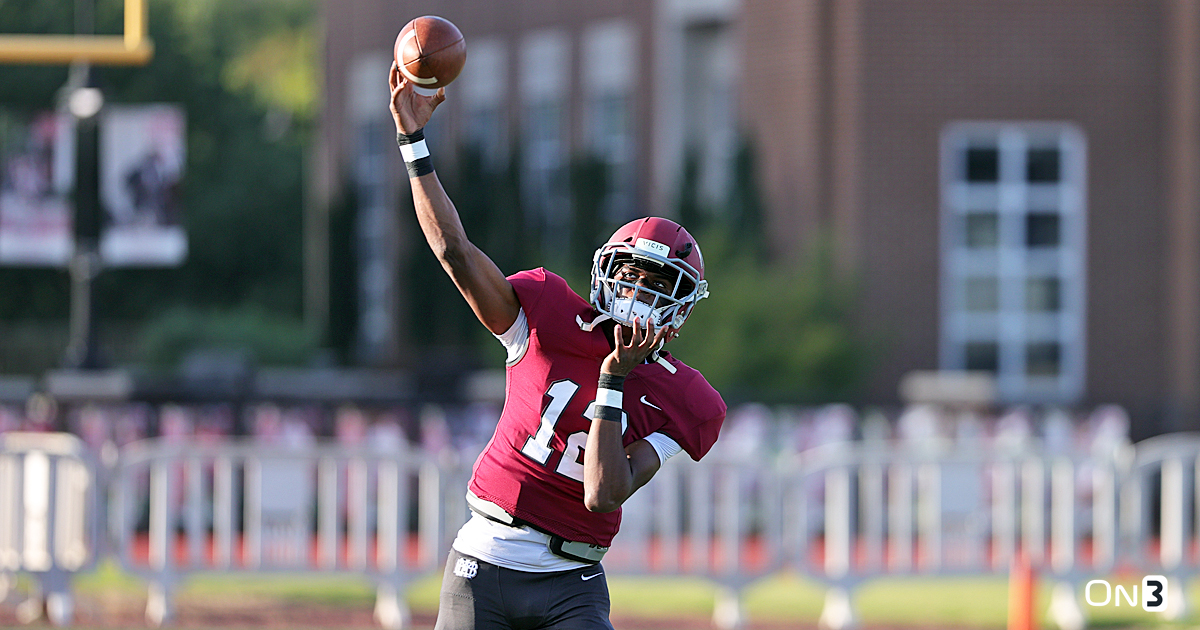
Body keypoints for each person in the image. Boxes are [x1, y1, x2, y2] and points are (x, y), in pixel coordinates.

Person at [390, 62, 727, 629]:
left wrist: (614, 381)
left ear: (681, 307)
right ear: (605, 275)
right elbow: (455, 252)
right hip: (485, 562)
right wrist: (412, 141)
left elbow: (602, 494)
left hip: (574, 583)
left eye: (659, 285)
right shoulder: (547, 313)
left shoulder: (688, 398)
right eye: (632, 275)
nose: (640, 294)